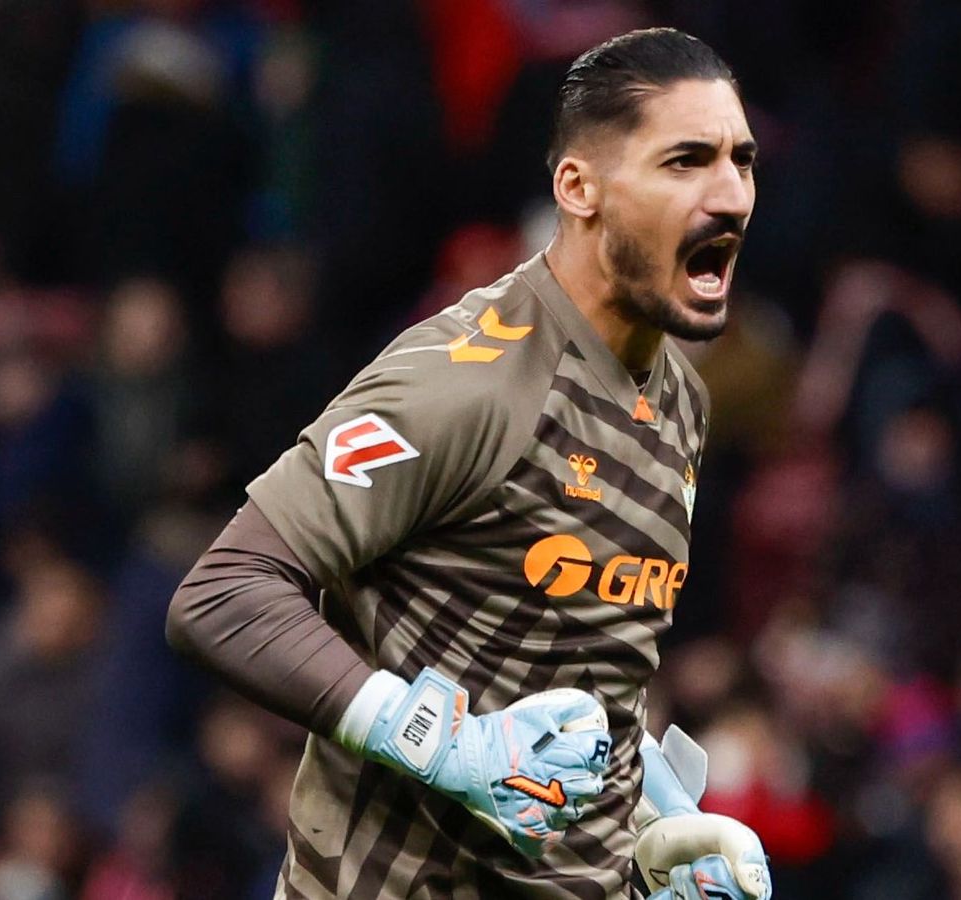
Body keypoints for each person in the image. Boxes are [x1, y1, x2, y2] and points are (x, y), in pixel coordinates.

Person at [166, 28, 771, 900]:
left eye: (740, 162)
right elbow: (224, 593)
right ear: (579, 188)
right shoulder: (468, 381)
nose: (730, 197)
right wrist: (433, 741)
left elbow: (564, 676)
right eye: (686, 162)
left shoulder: (680, 401)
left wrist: (651, 827)